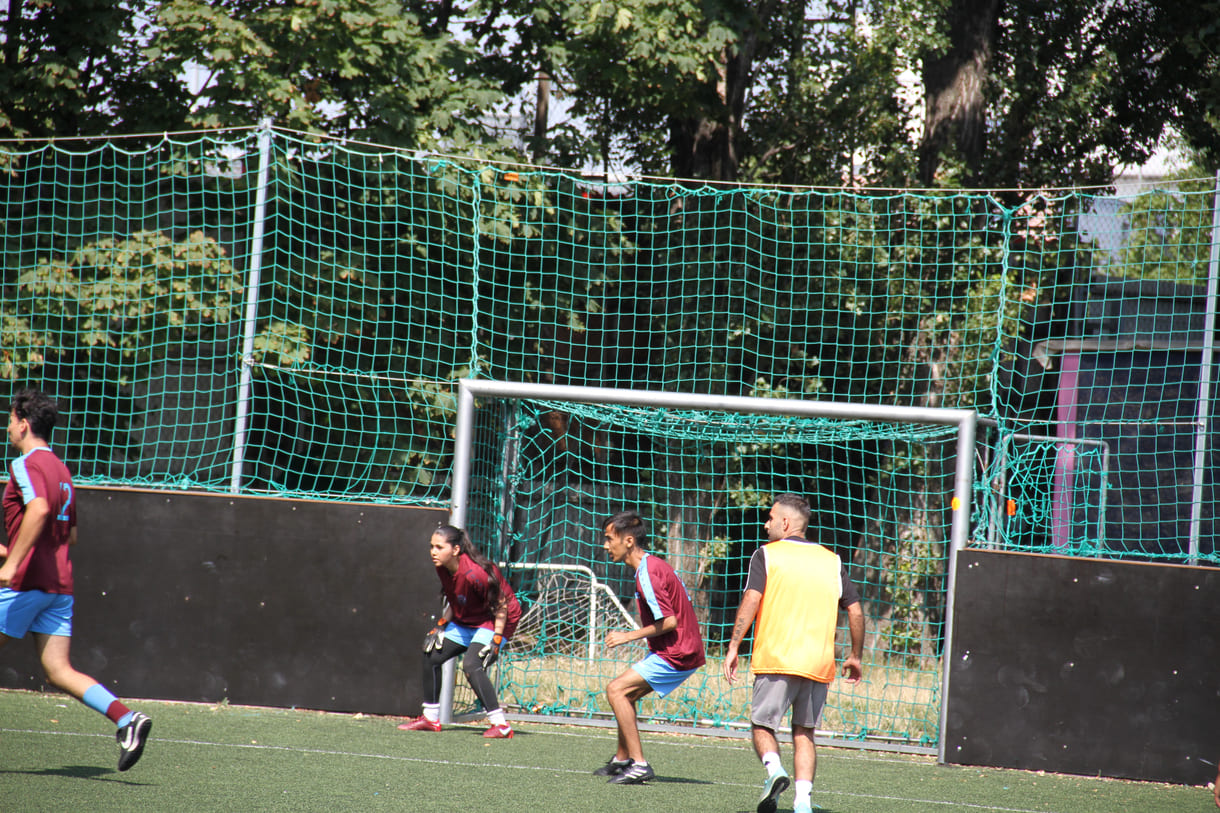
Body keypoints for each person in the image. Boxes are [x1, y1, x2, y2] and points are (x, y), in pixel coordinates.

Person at [0, 388, 152, 771]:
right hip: (58, 587)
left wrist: (11, 566)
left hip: (28, 585)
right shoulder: (61, 470)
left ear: (23, 421)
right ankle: (126, 719)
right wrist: (10, 552)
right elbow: (68, 535)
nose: (7, 427)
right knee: (58, 671)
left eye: (10, 419)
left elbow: (38, 511)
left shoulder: (26, 464)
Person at [723, 493, 865, 813]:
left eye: (771, 517)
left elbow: (751, 599)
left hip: (777, 657)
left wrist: (734, 646)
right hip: (818, 664)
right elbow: (855, 611)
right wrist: (855, 655)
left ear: (785, 523)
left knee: (762, 726)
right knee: (804, 733)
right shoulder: (833, 560)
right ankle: (802, 803)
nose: (766, 523)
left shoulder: (767, 555)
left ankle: (775, 771)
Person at [594, 509, 706, 785]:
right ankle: (623, 758)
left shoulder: (648, 574)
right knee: (626, 695)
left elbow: (669, 621)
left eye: (610, 539)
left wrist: (626, 636)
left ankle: (640, 764)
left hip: (677, 651)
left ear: (628, 541)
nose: (605, 545)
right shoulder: (651, 565)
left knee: (616, 690)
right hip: (679, 648)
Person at [399, 524, 522, 738]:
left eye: (439, 547)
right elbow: (457, 600)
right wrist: (440, 625)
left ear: (455, 550)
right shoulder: (443, 567)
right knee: (431, 654)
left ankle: (501, 725)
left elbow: (501, 605)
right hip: (469, 619)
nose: (433, 552)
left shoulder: (475, 573)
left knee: (472, 664)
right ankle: (430, 718)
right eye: (431, 546)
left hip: (495, 620)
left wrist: (496, 640)